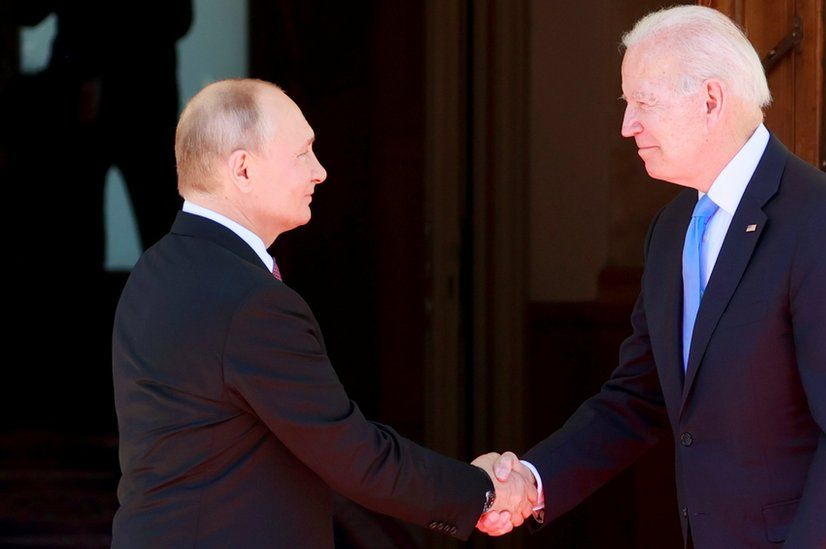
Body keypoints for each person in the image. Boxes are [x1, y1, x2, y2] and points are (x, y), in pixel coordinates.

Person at [478, 6, 826, 548]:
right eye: (626, 103)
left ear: (710, 100)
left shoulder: (824, 224)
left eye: (644, 102)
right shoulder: (672, 228)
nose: (627, 124)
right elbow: (639, 395)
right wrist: (531, 481)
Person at [111, 78, 536, 548]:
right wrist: (482, 491)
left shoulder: (152, 272)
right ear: (243, 170)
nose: (320, 172)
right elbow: (355, 457)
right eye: (303, 153)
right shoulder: (251, 301)